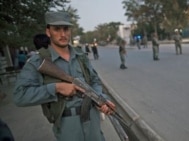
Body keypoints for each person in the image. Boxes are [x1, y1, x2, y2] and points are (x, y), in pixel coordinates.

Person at [13, 11, 115, 141]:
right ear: (48, 32)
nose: (63, 34)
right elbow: (19, 96)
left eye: (66, 29)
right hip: (67, 126)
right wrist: (56, 88)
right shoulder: (38, 62)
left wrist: (102, 99)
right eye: (57, 29)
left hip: (92, 122)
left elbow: (94, 81)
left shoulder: (81, 57)